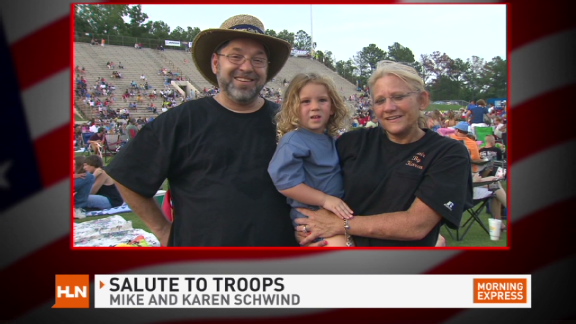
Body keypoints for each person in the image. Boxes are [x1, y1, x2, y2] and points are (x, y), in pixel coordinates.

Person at [105, 14, 297, 247]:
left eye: (258, 60)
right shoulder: (181, 121)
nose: (247, 67)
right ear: (216, 63)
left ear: (267, 68)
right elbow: (127, 174)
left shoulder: (289, 122)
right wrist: (163, 230)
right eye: (236, 56)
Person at [295, 60, 473, 247]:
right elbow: (310, 186)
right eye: (380, 100)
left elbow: (417, 224)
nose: (388, 107)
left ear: (423, 100)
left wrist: (341, 224)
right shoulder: (352, 142)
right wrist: (305, 229)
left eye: (398, 97)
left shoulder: (448, 153)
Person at [268, 73, 354, 247]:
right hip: (311, 215)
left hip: (333, 213)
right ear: (294, 109)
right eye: (306, 101)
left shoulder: (330, 139)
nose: (315, 107)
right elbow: (285, 182)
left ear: (332, 107)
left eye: (322, 100)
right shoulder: (293, 140)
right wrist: (324, 200)